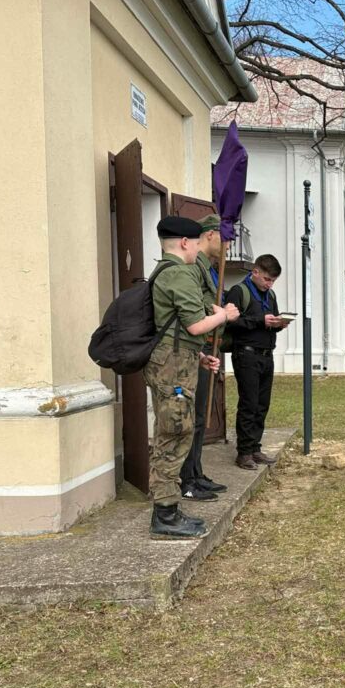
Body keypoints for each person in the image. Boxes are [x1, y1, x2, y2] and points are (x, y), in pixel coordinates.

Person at [145, 216, 239, 539]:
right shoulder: (179, 274)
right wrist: (223, 315)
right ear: (185, 242)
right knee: (174, 433)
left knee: (175, 430)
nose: (199, 248)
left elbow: (174, 327)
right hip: (172, 367)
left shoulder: (167, 271)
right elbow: (195, 324)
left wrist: (198, 357)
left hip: (176, 361)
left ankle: (169, 508)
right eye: (197, 243)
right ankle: (165, 514)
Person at [178, 214, 229, 501]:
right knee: (192, 418)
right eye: (225, 238)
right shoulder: (193, 266)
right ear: (210, 234)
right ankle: (187, 479)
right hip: (196, 348)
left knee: (200, 416)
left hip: (207, 347)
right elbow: (196, 309)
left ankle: (196, 472)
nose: (228, 246)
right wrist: (223, 315)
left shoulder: (209, 267)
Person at [225, 254, 288, 470]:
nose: (269, 284)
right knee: (249, 404)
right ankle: (243, 453)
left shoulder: (270, 295)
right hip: (246, 354)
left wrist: (278, 324)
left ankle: (255, 447)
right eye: (267, 279)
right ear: (255, 272)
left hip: (266, 355)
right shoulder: (239, 291)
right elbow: (230, 322)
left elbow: (270, 322)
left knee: (262, 405)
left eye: (273, 281)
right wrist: (260, 320)